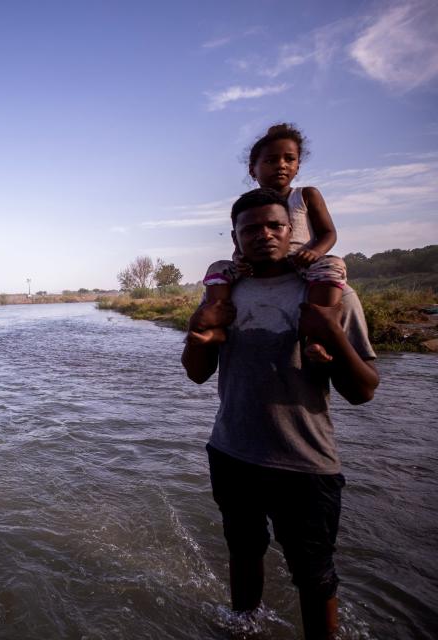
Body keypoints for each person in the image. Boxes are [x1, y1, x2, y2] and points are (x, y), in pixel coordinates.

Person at [181, 188, 379, 640]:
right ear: (235, 237)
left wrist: (329, 331)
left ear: (292, 232)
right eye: (251, 229)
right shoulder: (227, 295)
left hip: (306, 462)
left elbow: (364, 390)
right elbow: (196, 374)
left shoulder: (330, 294)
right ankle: (243, 629)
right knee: (243, 552)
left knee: (315, 576)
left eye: (274, 226)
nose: (264, 235)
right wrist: (198, 338)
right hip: (232, 452)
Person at [197, 123, 347, 363]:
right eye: (271, 160)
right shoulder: (246, 206)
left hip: (302, 264)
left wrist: (314, 252)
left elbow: (328, 233)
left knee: (334, 265)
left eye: (289, 159)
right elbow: (239, 245)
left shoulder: (306, 195)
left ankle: (318, 338)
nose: (281, 165)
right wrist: (240, 261)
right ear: (252, 170)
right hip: (258, 268)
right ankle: (216, 326)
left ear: (298, 166)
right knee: (218, 268)